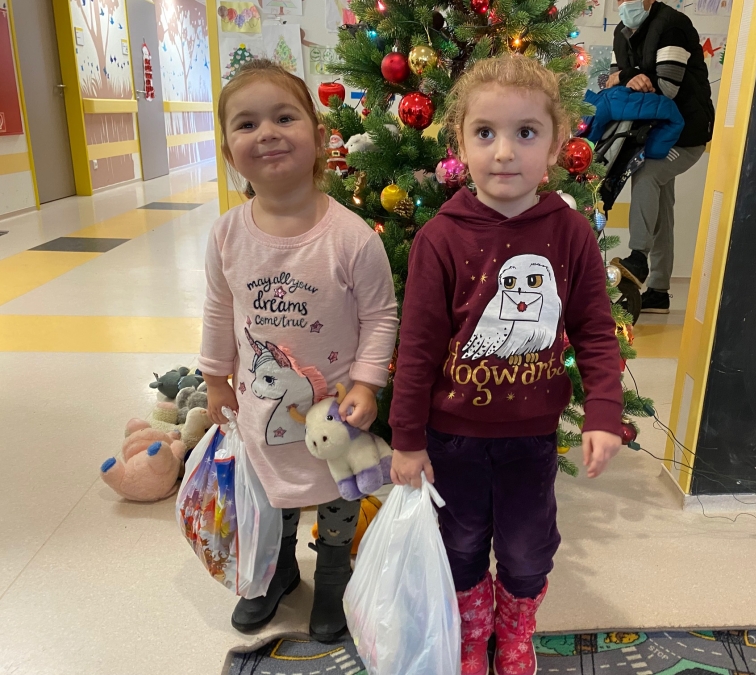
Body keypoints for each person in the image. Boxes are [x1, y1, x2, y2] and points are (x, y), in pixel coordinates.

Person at [389, 54, 624, 675]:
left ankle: (515, 630)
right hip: (453, 439)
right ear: (459, 142)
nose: (503, 152)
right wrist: (407, 439)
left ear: (555, 144)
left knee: (527, 551)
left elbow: (595, 331)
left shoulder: (571, 233)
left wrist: (604, 412)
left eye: (525, 132)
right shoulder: (439, 238)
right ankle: (471, 632)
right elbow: (416, 348)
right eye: (485, 132)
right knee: (460, 544)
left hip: (530, 439)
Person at [199, 59, 398, 638]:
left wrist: (368, 383)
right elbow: (218, 309)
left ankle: (333, 575)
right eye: (246, 124)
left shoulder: (351, 237)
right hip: (259, 405)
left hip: (335, 407)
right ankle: (278, 568)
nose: (266, 133)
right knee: (270, 489)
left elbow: (380, 315)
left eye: (284, 117)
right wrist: (214, 379)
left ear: (320, 136)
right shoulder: (227, 235)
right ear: (229, 150)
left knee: (337, 491)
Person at [608, 0, 715, 313]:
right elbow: (613, 81)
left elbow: (666, 88)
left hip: (686, 135)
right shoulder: (621, 31)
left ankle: (638, 257)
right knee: (661, 205)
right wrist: (628, 76)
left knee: (648, 175)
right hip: (658, 133)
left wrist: (628, 76)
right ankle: (658, 290)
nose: (622, 3)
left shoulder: (672, 25)